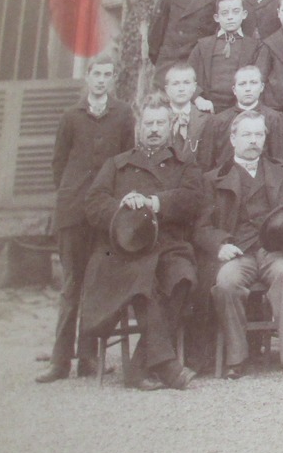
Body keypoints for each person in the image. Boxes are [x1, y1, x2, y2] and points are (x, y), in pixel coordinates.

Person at [77, 94, 205, 391]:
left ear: (171, 124)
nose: (155, 129)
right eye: (149, 123)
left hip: (169, 245)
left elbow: (194, 199)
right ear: (139, 126)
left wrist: (156, 202)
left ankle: (139, 365)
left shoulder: (183, 163)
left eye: (161, 123)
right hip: (124, 251)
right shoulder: (118, 165)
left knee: (183, 277)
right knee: (143, 282)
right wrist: (121, 206)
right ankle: (166, 366)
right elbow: (93, 202)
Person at [38, 56, 132, 382]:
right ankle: (60, 361)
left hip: (105, 214)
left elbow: (126, 158)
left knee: (96, 282)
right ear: (88, 77)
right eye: (97, 74)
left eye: (108, 74)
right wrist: (71, 194)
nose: (102, 80)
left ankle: (89, 359)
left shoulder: (123, 114)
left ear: (113, 78)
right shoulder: (70, 117)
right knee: (71, 285)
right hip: (73, 211)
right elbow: (58, 163)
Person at [200, 111, 283, 381]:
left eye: (259, 134)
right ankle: (237, 357)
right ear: (232, 138)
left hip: (276, 250)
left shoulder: (282, 169)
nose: (253, 140)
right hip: (238, 252)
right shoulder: (213, 178)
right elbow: (201, 227)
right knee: (226, 282)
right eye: (247, 135)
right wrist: (219, 245)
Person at [203, 65, 283, 170]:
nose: (248, 89)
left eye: (253, 83)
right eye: (242, 84)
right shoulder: (218, 121)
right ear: (234, 90)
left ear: (261, 87)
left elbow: (278, 160)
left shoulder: (274, 118)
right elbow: (207, 163)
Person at [188, 0, 262, 111]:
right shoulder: (203, 46)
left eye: (236, 12)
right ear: (217, 17)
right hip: (208, 107)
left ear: (244, 14)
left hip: (242, 109)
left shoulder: (255, 46)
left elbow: (259, 80)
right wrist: (198, 99)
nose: (230, 17)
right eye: (225, 13)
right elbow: (187, 77)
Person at [159, 61, 219, 167]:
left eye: (186, 83)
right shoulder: (159, 117)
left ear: (194, 87)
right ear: (167, 89)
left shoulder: (206, 119)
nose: (181, 89)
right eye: (176, 83)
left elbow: (207, 161)